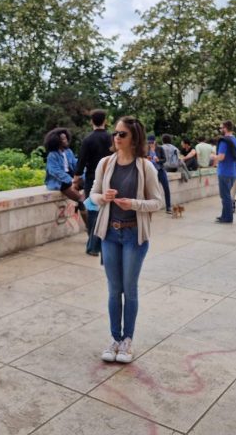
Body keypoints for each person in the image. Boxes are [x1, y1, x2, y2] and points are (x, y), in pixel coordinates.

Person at [90, 116, 163, 364]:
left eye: (122, 134)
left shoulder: (145, 167)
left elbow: (158, 202)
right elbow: (93, 195)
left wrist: (132, 204)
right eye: (115, 133)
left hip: (134, 234)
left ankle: (127, 340)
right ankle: (114, 337)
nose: (116, 137)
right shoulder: (105, 163)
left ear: (134, 138)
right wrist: (104, 197)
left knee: (129, 290)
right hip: (110, 233)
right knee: (114, 290)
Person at [73, 110, 112, 256]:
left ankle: (93, 246)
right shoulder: (112, 139)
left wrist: (76, 179)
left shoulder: (88, 140)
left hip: (92, 179)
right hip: (110, 179)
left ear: (91, 121)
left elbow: (81, 162)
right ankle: (101, 244)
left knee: (93, 212)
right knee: (107, 211)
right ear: (105, 121)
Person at [43, 127, 84, 205]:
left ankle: (82, 205)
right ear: (57, 141)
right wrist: (71, 180)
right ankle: (82, 205)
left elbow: (76, 165)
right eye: (63, 139)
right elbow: (55, 171)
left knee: (87, 183)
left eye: (66, 138)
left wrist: (84, 174)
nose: (66, 141)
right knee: (81, 200)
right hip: (59, 181)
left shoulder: (68, 151)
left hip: (70, 177)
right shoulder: (52, 155)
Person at [211, 120, 236, 224]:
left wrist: (213, 156)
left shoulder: (224, 141)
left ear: (225, 128)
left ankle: (228, 218)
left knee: (225, 196)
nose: (220, 130)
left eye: (221, 128)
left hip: (224, 172)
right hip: (233, 172)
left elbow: (221, 157)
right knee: (226, 195)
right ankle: (224, 215)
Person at [147, 134, 171, 214]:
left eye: (152, 142)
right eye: (149, 142)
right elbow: (142, 158)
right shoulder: (146, 149)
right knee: (152, 190)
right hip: (151, 171)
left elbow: (164, 159)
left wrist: (158, 160)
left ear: (155, 141)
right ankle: (152, 207)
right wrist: (147, 158)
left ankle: (168, 207)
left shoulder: (160, 148)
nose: (150, 144)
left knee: (166, 187)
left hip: (160, 170)